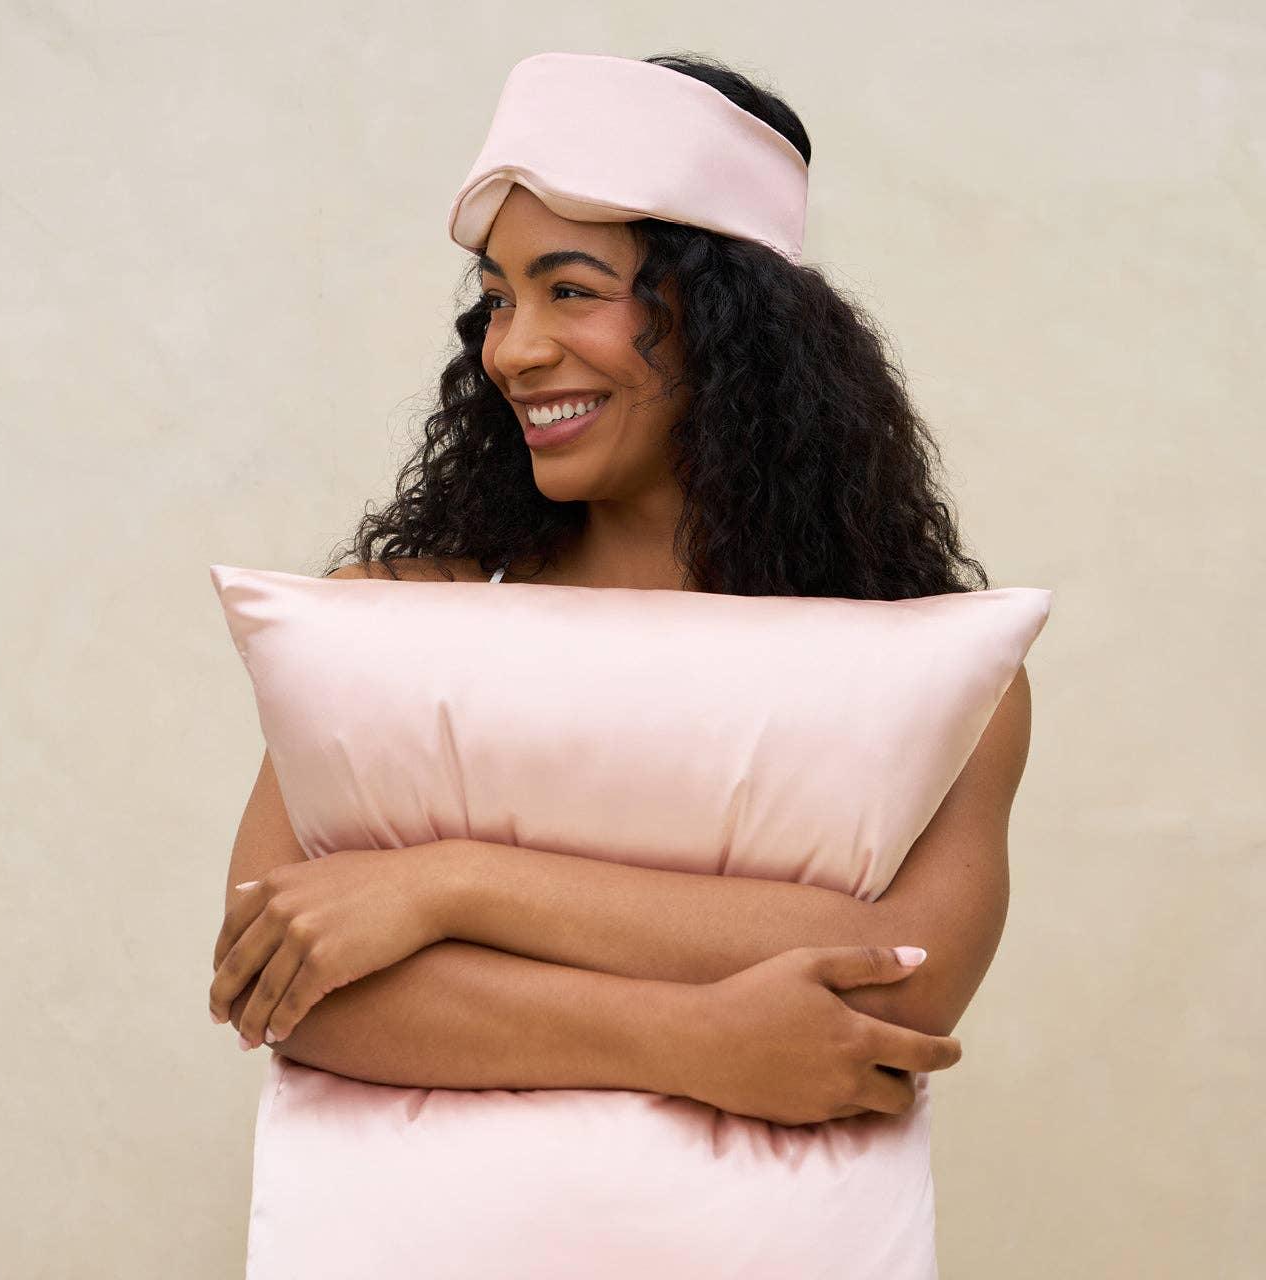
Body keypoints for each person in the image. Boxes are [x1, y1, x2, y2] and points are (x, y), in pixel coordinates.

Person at [212, 50, 1032, 1277]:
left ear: (725, 320)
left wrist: (449, 885)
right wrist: (696, 1034)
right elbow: (281, 975)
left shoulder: (927, 672)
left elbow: (897, 988)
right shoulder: (389, 626)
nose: (513, 349)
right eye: (496, 296)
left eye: (570, 289)